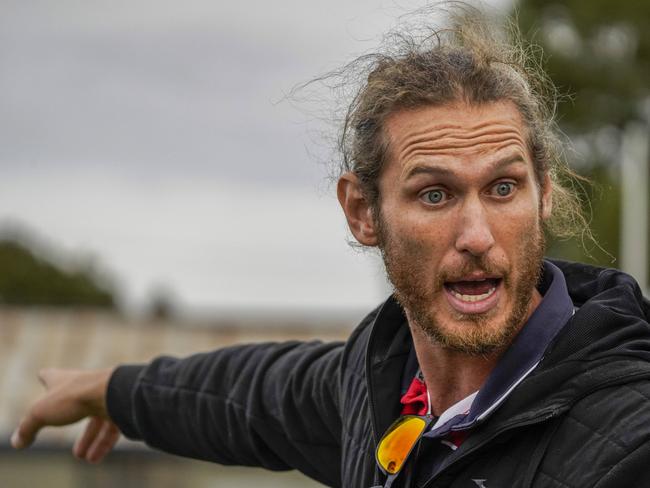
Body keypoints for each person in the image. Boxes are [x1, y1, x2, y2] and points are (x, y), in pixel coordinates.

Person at [11, 5, 650, 488]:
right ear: (362, 212)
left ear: (545, 195)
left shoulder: (627, 436)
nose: (477, 235)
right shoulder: (382, 381)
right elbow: (249, 396)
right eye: (434, 194)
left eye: (504, 187)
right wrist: (113, 390)